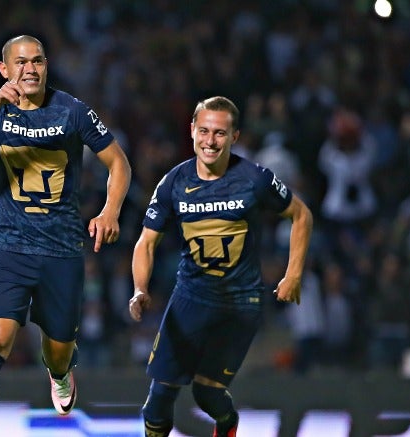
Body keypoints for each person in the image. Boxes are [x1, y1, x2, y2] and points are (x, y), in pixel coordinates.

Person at [0, 35, 131, 437]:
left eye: (37, 61)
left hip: (62, 250)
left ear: (46, 66)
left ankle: (61, 372)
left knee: (58, 351)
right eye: (20, 62)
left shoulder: (72, 111)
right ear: (4, 69)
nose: (29, 69)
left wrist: (109, 210)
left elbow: (118, 163)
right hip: (10, 247)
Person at [128, 96, 313, 437]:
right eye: (204, 131)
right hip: (190, 297)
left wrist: (294, 274)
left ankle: (227, 423)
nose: (210, 141)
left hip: (239, 303)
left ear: (235, 136)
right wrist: (140, 289)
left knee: (207, 393)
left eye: (220, 133)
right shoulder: (173, 182)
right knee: (157, 401)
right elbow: (146, 242)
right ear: (192, 131)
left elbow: (301, 215)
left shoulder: (254, 178)